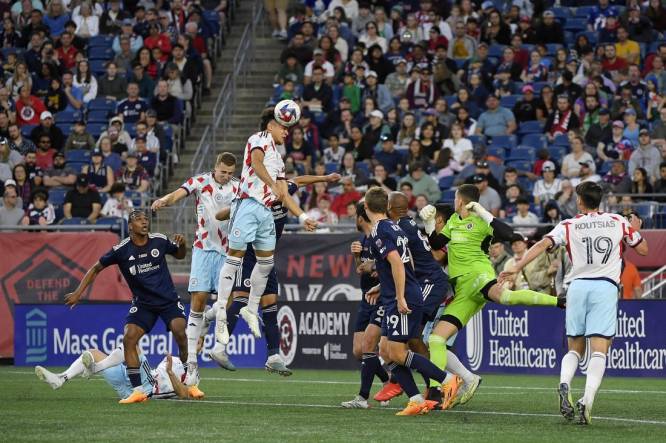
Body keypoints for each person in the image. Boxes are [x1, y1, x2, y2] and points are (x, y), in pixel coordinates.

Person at [499, 182, 648, 425]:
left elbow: (541, 244)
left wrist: (516, 267)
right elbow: (642, 249)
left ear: (579, 201)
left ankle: (564, 383)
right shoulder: (617, 221)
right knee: (600, 348)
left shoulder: (569, 224)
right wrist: (634, 229)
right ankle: (587, 400)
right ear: (599, 201)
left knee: (574, 348)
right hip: (604, 287)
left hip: (577, 286)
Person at [419, 185, 563, 408]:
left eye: (456, 197)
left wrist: (486, 214)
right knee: (436, 340)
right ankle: (440, 391)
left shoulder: (481, 221)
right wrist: (429, 224)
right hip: (463, 291)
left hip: (479, 277)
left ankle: (557, 301)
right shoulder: (454, 222)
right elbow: (437, 244)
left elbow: (509, 234)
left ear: (461, 200)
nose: (454, 200)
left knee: (506, 298)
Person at [208, 172, 341, 373]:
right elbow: (219, 216)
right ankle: (219, 347)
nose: (284, 190)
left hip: (265, 258)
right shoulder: (255, 199)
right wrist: (233, 209)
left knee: (270, 303)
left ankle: (273, 356)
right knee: (241, 300)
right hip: (248, 255)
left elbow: (299, 180)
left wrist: (325, 178)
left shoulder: (284, 189)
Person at [64, 210, 194, 404]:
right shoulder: (121, 250)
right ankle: (138, 391)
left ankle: (189, 377)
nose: (144, 222)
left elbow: (180, 255)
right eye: (138, 219)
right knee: (129, 338)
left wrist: (182, 245)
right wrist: (77, 293)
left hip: (168, 300)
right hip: (143, 304)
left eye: (146, 219)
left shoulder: (158, 240)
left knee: (180, 331)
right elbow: (95, 268)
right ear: (130, 226)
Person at [212, 107, 316, 346]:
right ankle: (220, 314)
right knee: (235, 258)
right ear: (271, 125)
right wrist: (270, 184)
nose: (286, 132)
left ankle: (250, 308)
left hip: (265, 213)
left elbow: (284, 192)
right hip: (248, 205)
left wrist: (302, 216)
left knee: (267, 263)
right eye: (283, 127)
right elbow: (257, 164)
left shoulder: (279, 159)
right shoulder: (258, 139)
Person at [150, 152, 238, 391]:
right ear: (215, 167)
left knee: (228, 302)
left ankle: (209, 320)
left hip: (228, 251)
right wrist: (164, 201)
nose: (226, 176)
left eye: (230, 173)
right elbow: (179, 194)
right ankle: (191, 364)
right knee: (197, 302)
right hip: (203, 250)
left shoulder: (239, 187)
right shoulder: (199, 181)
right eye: (223, 172)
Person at [363, 187, 448, 416]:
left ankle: (441, 384)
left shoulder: (391, 228)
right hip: (411, 285)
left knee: (408, 341)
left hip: (425, 283)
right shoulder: (400, 226)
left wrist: (399, 295)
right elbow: (404, 261)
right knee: (389, 348)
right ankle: (418, 397)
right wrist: (383, 287)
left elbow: (399, 263)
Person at [341, 202, 386, 409]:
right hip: (365, 297)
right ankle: (387, 380)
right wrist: (356, 256)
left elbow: (383, 268)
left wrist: (375, 269)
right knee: (358, 351)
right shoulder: (364, 239)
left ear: (361, 217)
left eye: (355, 216)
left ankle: (362, 397)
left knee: (369, 347)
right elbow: (361, 270)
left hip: (380, 298)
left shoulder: (379, 236)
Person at [35, 349, 201, 400]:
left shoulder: (193, 373)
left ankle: (93, 369)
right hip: (129, 386)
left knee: (134, 349)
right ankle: (61, 379)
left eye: (197, 343)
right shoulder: (177, 357)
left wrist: (171, 372)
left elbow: (185, 395)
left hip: (147, 389)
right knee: (93, 352)